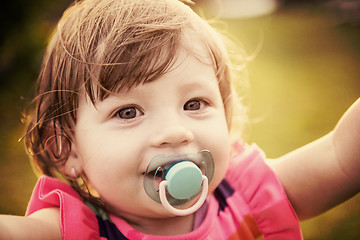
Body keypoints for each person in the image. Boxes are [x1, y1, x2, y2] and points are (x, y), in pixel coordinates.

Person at [0, 0, 359, 239]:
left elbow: (342, 158)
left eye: (194, 103)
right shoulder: (73, 231)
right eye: (128, 112)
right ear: (66, 149)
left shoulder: (247, 199)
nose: (174, 132)